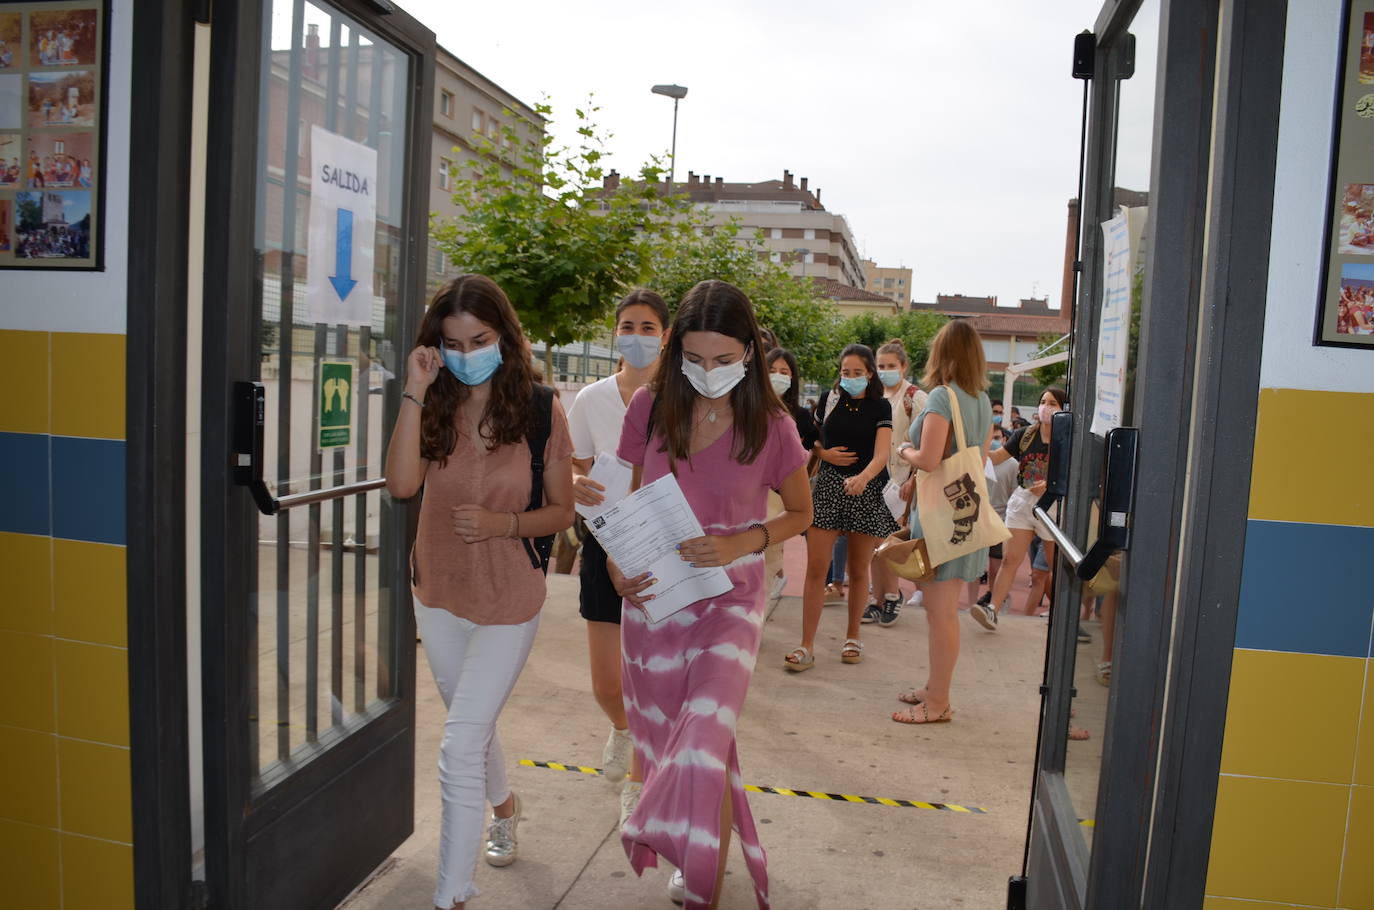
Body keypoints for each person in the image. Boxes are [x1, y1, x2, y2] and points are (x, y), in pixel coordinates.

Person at [611, 279, 811, 909]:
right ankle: (696, 851)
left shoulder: (772, 424)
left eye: (723, 359)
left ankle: (695, 871)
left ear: (749, 351)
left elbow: (800, 513)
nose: (708, 371)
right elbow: (629, 496)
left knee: (702, 739)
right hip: (655, 600)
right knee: (689, 746)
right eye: (694, 358)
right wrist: (619, 565)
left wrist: (741, 541)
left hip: (731, 601)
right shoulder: (649, 406)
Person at [384, 274, 575, 910]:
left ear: (505, 337)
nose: (468, 352)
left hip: (508, 600)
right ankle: (505, 806)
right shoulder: (431, 402)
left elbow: (562, 513)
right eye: (454, 342)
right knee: (475, 727)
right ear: (436, 345)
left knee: (458, 743)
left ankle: (452, 895)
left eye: (481, 339)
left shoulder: (541, 409)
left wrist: (503, 524)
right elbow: (402, 485)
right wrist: (414, 389)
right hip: (436, 592)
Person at [566, 288, 669, 824]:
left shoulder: (684, 400)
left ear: (666, 335)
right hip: (605, 544)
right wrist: (577, 482)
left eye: (648, 327)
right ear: (614, 333)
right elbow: (576, 468)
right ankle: (623, 729)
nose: (637, 336)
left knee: (653, 679)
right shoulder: (590, 399)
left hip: (665, 552)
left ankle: (640, 779)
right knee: (608, 685)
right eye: (627, 325)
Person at [892, 319, 994, 724]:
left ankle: (938, 703)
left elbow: (929, 459)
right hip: (964, 515)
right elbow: (978, 459)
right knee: (944, 611)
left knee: (941, 614)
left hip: (939, 518)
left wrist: (904, 449)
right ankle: (935, 690)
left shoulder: (940, 397)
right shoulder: (981, 399)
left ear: (942, 353)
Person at [788, 343, 898, 672]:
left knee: (859, 568)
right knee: (817, 568)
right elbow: (814, 439)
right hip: (828, 488)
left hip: (865, 488)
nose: (850, 378)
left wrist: (863, 478)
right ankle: (806, 644)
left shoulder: (881, 407)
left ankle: (853, 637)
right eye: (845, 372)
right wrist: (825, 455)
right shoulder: (829, 399)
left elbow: (882, 454)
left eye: (857, 373)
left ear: (870, 374)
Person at [972, 387, 1067, 630]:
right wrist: (977, 447)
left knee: (1054, 563)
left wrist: (1050, 484)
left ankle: (1064, 614)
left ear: (1064, 409)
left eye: (1053, 403)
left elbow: (1072, 473)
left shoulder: (1067, 440)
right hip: (1023, 502)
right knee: (1010, 559)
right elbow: (997, 457)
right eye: (1043, 401)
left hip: (1052, 505)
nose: (1046, 407)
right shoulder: (1025, 435)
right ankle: (993, 608)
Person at [864, 338, 928, 626]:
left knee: (887, 544)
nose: (885, 371)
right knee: (872, 546)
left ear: (904, 366)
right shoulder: (872, 396)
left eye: (891, 366)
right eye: (881, 366)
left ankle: (892, 595)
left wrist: (914, 479)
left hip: (901, 482)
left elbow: (927, 444)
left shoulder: (916, 397)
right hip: (874, 480)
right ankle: (877, 599)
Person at [765, 347, 818, 598]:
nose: (777, 376)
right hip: (748, 493)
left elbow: (806, 454)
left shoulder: (801, 416)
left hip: (778, 498)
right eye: (772, 371)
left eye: (784, 372)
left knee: (768, 553)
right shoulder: (747, 409)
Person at [970, 421, 1018, 609]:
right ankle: (972, 602)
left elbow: (1015, 494)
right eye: (990, 438)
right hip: (978, 520)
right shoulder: (976, 460)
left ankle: (996, 598)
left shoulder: (1012, 465)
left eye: (997, 438)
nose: (993, 442)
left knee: (996, 565)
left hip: (1001, 521)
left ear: (1005, 440)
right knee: (973, 567)